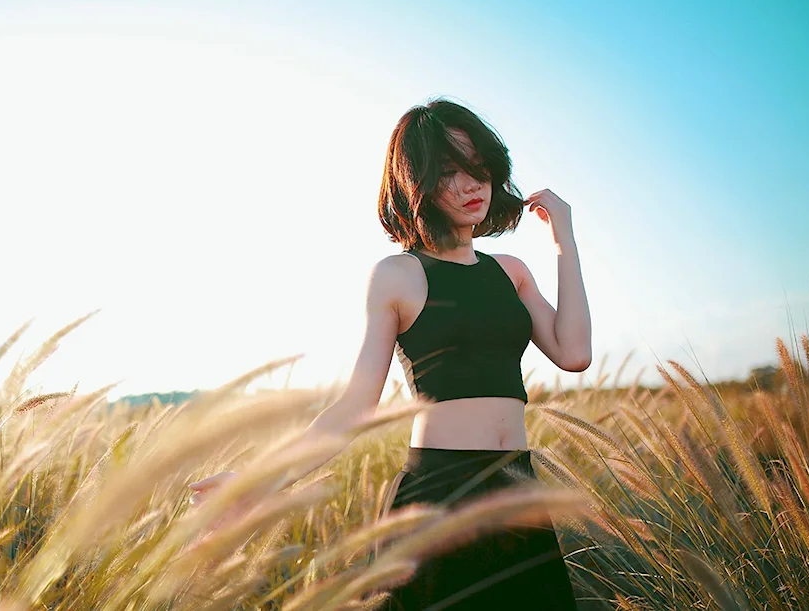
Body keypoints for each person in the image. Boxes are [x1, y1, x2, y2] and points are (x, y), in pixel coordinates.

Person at [189, 98, 591, 609]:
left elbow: (574, 353)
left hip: (518, 488)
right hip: (438, 500)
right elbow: (356, 406)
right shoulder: (397, 276)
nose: (473, 186)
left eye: (481, 170)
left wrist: (565, 241)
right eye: (450, 172)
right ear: (415, 183)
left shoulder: (511, 271)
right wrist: (256, 482)